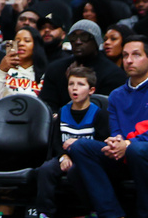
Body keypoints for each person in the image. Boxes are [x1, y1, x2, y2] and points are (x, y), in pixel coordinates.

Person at [68, 34, 148, 218]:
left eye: (136, 55)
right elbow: (116, 131)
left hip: (140, 151)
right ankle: (112, 214)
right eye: (125, 55)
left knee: (136, 149)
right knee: (80, 146)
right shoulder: (116, 95)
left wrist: (127, 145)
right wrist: (117, 143)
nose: (129, 60)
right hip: (126, 151)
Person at [28, 65, 110, 218]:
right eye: (71, 84)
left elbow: (101, 143)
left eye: (80, 84)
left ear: (91, 90)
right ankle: (45, 212)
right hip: (64, 157)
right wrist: (63, 156)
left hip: (87, 160)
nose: (74, 88)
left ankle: (92, 209)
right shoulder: (62, 111)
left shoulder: (99, 114)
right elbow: (56, 141)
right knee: (45, 169)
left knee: (75, 171)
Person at [38, 20, 127, 109]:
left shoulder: (113, 74)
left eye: (84, 36)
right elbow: (46, 107)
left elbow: (103, 110)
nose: (78, 42)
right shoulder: (56, 68)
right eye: (73, 37)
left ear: (96, 41)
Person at [0, 26, 46, 111]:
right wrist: (2, 71)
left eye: (27, 41)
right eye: (17, 41)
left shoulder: (46, 75)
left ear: (36, 45)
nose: (21, 43)